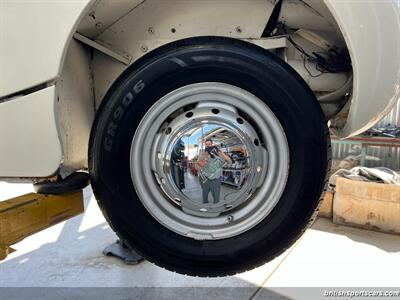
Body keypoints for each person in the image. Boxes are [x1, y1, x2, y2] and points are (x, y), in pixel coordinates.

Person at [196, 138, 232, 204]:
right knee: (205, 197)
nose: (208, 146)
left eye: (209, 144)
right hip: (205, 179)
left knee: (216, 199)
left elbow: (229, 161)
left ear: (212, 144)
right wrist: (204, 156)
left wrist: (219, 151)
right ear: (204, 145)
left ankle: (216, 207)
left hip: (215, 179)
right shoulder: (202, 153)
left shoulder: (217, 153)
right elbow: (197, 166)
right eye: (206, 144)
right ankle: (205, 208)